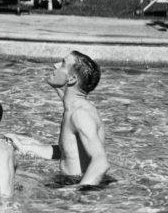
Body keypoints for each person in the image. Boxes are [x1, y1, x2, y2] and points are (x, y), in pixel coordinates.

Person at [6, 51, 109, 186]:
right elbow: (66, 151)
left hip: (81, 187)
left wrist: (76, 193)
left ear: (72, 79)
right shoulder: (73, 108)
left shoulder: (80, 115)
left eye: (63, 64)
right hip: (73, 181)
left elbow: (101, 163)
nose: (55, 65)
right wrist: (24, 147)